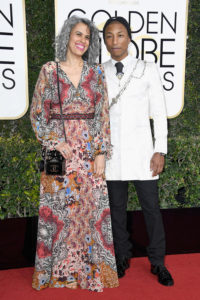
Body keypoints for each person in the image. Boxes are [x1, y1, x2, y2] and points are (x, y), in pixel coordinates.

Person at [30, 15, 119, 292]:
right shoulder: (49, 70)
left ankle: (86, 272)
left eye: (87, 37)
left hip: (89, 154)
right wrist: (54, 141)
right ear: (67, 37)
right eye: (78, 34)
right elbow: (36, 114)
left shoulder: (96, 73)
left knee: (89, 213)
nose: (82, 40)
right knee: (57, 212)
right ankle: (57, 274)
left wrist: (102, 153)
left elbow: (102, 116)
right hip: (58, 155)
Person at [102, 16, 174, 286]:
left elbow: (159, 112)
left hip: (144, 152)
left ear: (129, 38)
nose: (114, 41)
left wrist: (160, 150)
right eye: (109, 36)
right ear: (105, 41)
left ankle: (158, 263)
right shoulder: (99, 71)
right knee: (116, 211)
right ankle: (121, 257)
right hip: (112, 156)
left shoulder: (147, 68)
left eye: (120, 35)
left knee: (151, 210)